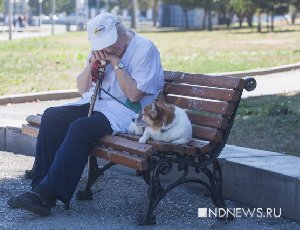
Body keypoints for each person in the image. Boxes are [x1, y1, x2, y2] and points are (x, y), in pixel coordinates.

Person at [7, 12, 164, 216]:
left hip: (129, 113)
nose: (108, 48)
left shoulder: (144, 49)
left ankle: (47, 195)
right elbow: (82, 90)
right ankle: (38, 190)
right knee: (52, 116)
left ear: (120, 31)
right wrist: (92, 64)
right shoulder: (100, 49)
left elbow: (134, 96)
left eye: (111, 43)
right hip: (98, 104)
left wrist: (117, 62)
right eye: (104, 45)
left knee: (81, 128)